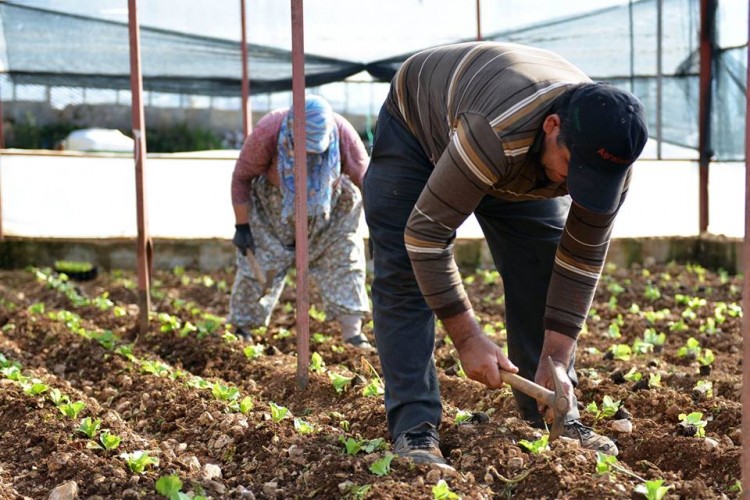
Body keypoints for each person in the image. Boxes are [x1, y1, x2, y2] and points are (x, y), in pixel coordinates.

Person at [363, 42, 648, 466]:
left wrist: (557, 359)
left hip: (512, 150)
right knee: (405, 272)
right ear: (552, 126)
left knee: (544, 267)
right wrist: (467, 337)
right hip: (421, 131)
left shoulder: (606, 164)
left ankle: (550, 410)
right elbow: (426, 235)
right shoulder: (496, 132)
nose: (575, 186)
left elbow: (580, 262)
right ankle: (414, 426)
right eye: (573, 167)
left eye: (594, 178)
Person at [229, 95, 373, 349]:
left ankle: (353, 334)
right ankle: (243, 330)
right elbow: (242, 177)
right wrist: (242, 227)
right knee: (260, 264)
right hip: (274, 209)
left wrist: (378, 229)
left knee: (344, 260)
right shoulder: (269, 130)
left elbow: (368, 183)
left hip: (332, 210)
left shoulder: (342, 133)